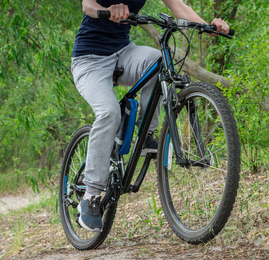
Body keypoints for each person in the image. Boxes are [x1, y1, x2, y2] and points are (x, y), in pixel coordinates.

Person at [71, 0, 230, 232]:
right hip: (89, 60)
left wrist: (209, 26)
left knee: (158, 61)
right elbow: (87, 5)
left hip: (123, 53)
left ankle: (146, 135)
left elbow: (180, 8)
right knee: (108, 112)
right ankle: (91, 195)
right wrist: (107, 10)